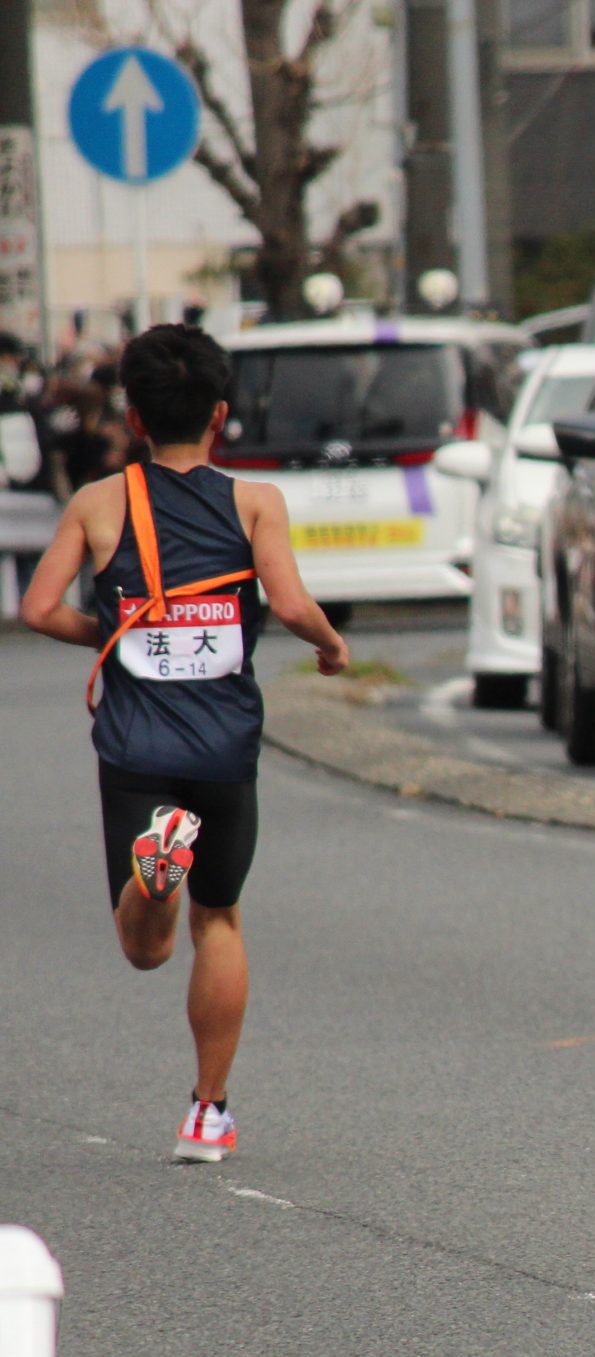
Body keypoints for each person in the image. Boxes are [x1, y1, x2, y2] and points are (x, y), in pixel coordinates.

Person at [18, 324, 349, 1163]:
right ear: (221, 416)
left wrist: (116, 627)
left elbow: (35, 608)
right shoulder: (254, 504)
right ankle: (208, 1112)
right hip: (225, 742)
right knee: (221, 919)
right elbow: (292, 600)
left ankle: (153, 868)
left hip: (135, 741)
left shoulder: (98, 503)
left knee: (143, 947)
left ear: (133, 418)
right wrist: (329, 645)